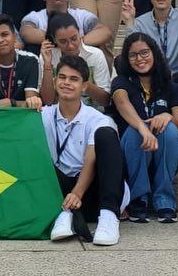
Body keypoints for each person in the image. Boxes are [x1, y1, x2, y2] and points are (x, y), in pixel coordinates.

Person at [43, 55, 122, 246]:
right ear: (55, 81)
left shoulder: (97, 119)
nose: (66, 83)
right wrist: (28, 103)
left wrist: (77, 193)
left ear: (84, 86)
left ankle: (109, 216)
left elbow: (91, 161)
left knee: (106, 134)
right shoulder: (44, 114)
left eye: (74, 79)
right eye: (62, 77)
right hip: (60, 189)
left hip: (91, 190)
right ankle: (64, 213)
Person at [109, 33, 178, 223]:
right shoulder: (121, 82)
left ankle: (164, 199)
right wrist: (143, 128)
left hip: (163, 157)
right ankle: (138, 198)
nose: (139, 59)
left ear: (154, 53)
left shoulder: (171, 87)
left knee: (170, 130)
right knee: (136, 129)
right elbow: (121, 102)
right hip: (134, 155)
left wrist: (168, 116)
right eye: (133, 55)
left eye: (144, 52)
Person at [19, 0, 113, 52]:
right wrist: (64, 40)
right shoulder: (35, 17)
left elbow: (105, 32)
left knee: (96, 48)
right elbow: (26, 33)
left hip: (79, 62)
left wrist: (76, 42)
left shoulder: (81, 15)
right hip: (48, 61)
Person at [41, 13, 111, 108]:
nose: (70, 45)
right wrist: (47, 65)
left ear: (80, 33)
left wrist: (81, 81)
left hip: (92, 114)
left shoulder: (95, 55)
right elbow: (47, 101)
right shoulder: (46, 56)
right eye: (63, 41)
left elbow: (105, 100)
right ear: (54, 40)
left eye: (74, 39)